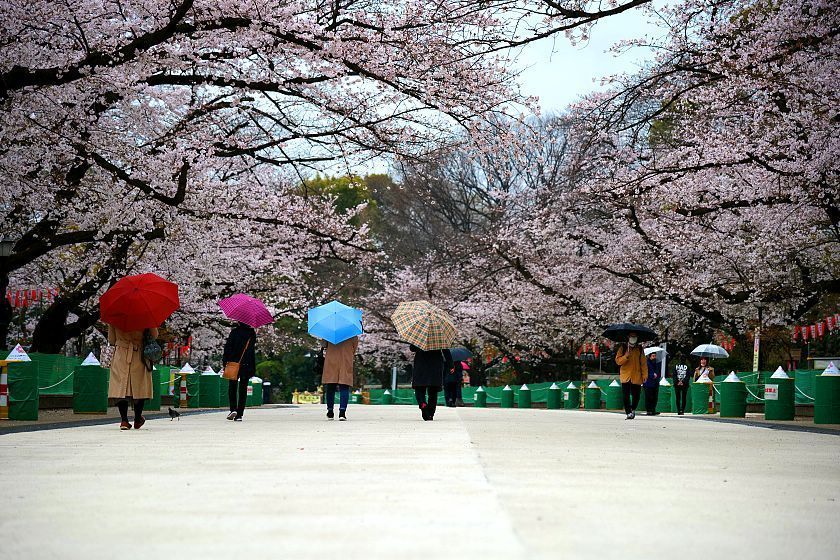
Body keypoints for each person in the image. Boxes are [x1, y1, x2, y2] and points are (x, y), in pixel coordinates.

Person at [108, 325, 157, 430]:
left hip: (120, 355)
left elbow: (111, 339)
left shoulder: (115, 316)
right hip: (138, 354)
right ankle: (138, 418)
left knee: (121, 388)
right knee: (139, 386)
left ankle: (124, 420)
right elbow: (154, 335)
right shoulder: (145, 315)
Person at [223, 321, 256, 421]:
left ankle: (233, 409)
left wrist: (225, 362)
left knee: (232, 387)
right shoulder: (252, 334)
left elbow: (227, 348)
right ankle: (239, 414)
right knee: (243, 389)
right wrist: (253, 367)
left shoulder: (234, 332)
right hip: (246, 364)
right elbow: (251, 351)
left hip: (234, 363)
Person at [322, 336, 359, 421]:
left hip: (331, 360)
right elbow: (354, 347)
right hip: (345, 360)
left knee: (330, 387)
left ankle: (330, 411)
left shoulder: (329, 331)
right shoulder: (351, 332)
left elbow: (324, 344)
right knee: (344, 386)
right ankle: (342, 412)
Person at [410, 345, 451, 421]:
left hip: (421, 364)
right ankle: (431, 413)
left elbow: (412, 348)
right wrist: (451, 365)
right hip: (435, 365)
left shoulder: (420, 335)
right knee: (433, 391)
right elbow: (445, 350)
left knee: (419, 388)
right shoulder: (438, 335)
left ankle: (422, 403)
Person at [615, 332, 647, 420]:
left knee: (636, 396)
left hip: (637, 376)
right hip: (626, 376)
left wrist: (645, 375)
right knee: (625, 396)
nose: (633, 338)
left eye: (635, 337)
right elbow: (618, 361)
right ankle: (628, 412)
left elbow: (643, 363)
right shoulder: (623, 348)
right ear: (628, 337)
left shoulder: (640, 349)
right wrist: (625, 356)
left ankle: (633, 408)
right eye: (631, 337)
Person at [643, 351, 661, 415]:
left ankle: (653, 409)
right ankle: (649, 410)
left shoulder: (657, 363)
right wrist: (652, 375)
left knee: (655, 397)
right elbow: (645, 372)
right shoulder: (646, 363)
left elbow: (658, 371)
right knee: (648, 397)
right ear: (650, 356)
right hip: (648, 383)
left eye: (655, 356)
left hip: (655, 382)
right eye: (653, 356)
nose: (654, 357)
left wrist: (657, 375)